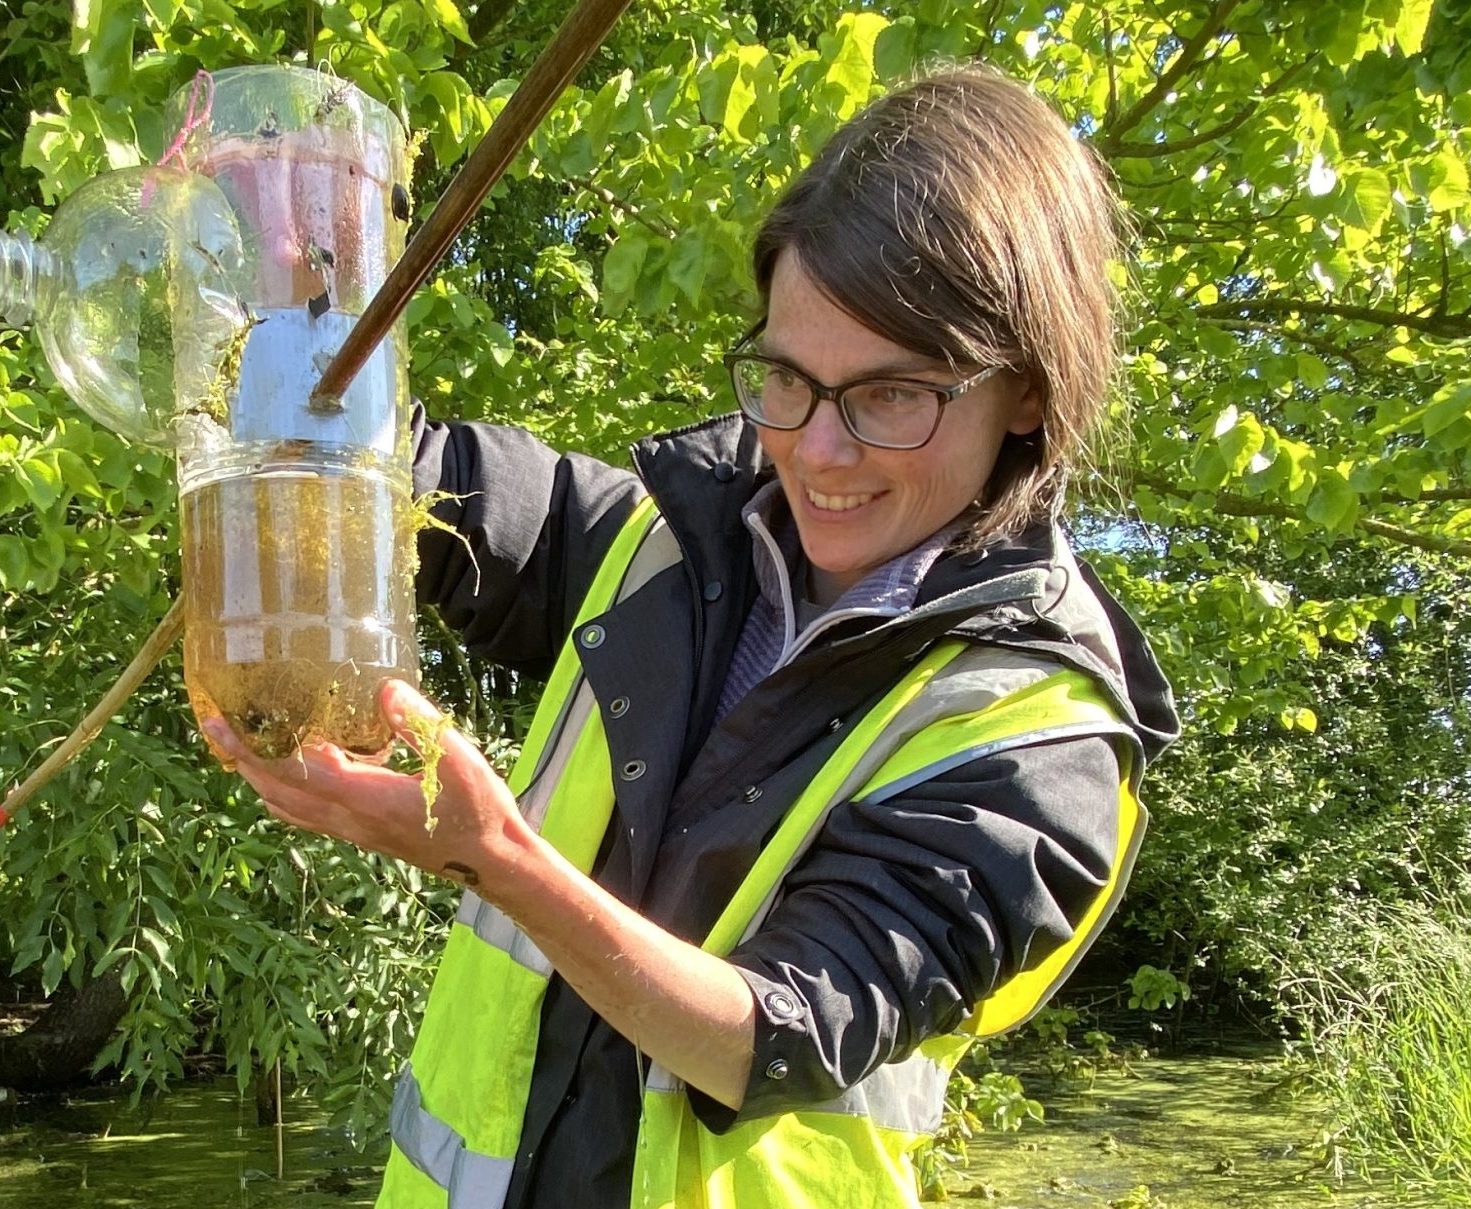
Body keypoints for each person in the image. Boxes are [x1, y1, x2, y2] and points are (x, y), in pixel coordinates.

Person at [206, 64, 1179, 1209]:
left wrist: (490, 857)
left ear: (1025, 392)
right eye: (787, 377)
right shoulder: (659, 543)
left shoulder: (1036, 736)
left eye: (891, 397)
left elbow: (774, 1037)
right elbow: (398, 471)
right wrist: (294, 293)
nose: (818, 452)